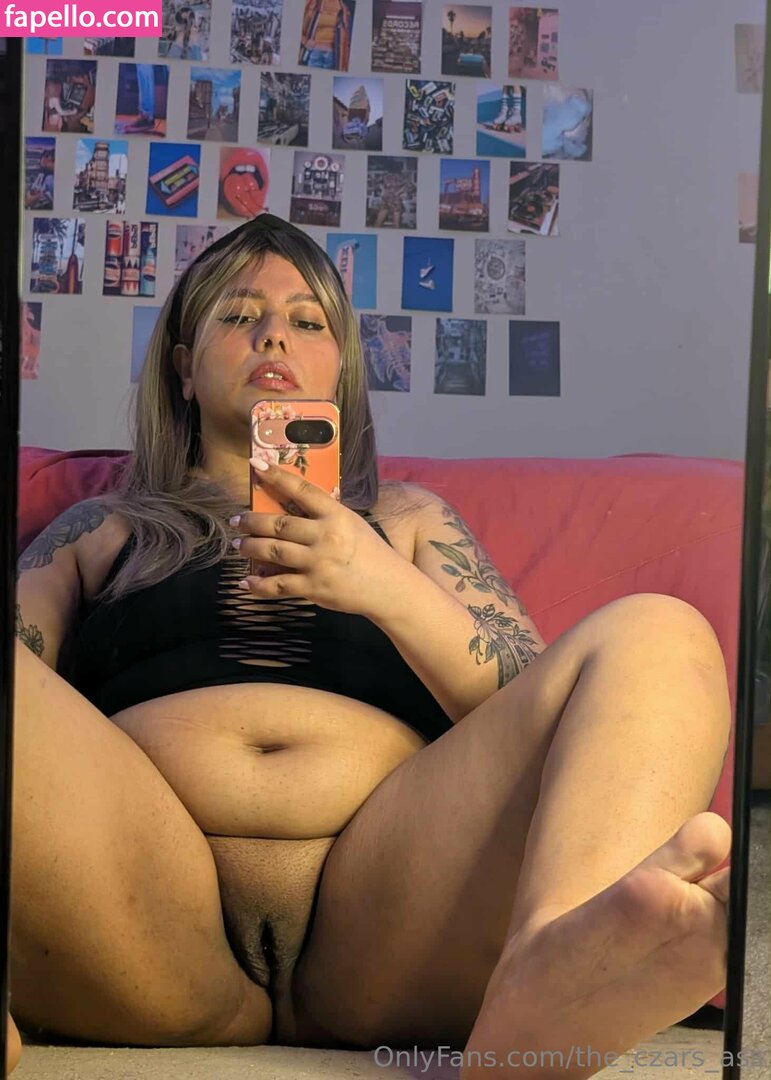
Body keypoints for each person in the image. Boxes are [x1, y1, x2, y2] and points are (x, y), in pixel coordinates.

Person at [9, 214, 732, 1077]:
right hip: (136, 908)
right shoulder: (101, 528)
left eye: (307, 321)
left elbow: (549, 713)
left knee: (660, 631)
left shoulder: (409, 519)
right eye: (238, 314)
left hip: (396, 914)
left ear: (341, 371)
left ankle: (546, 974)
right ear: (184, 368)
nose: (273, 333)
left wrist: (382, 583)